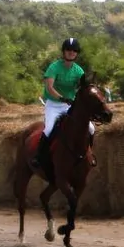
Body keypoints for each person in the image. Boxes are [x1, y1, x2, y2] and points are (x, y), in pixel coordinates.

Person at [34, 37, 87, 172]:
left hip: (69, 105)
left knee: (91, 128)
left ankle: (87, 155)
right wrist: (62, 98)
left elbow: (82, 88)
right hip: (54, 104)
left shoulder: (79, 71)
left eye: (74, 50)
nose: (71, 52)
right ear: (64, 52)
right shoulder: (54, 67)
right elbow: (50, 88)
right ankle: (39, 156)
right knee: (49, 128)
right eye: (68, 50)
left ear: (77, 53)